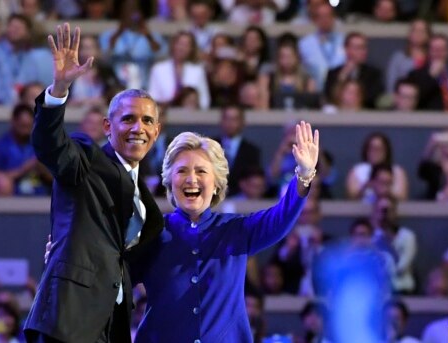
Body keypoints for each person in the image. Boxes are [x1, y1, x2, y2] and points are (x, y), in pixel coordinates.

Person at [23, 23, 164, 343]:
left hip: (111, 326)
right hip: (67, 320)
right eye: (127, 118)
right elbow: (50, 144)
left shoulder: (148, 204)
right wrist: (58, 90)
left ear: (156, 132)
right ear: (107, 126)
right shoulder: (86, 159)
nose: (137, 128)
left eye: (147, 121)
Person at [132, 122, 317, 342]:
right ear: (170, 182)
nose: (192, 179)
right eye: (182, 171)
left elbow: (281, 217)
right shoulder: (151, 232)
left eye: (201, 171)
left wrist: (304, 175)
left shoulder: (236, 230)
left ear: (217, 184)